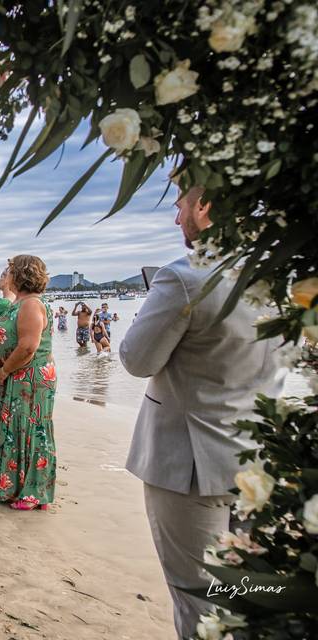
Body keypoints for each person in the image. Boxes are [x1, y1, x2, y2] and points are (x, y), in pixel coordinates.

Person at [119, 186, 284, 639]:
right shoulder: (273, 274)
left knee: (200, 600)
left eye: (178, 207)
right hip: (261, 456)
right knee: (250, 593)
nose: (177, 220)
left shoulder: (185, 277)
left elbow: (137, 359)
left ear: (203, 206)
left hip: (189, 461)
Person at [0, 255, 57, 510]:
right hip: (19, 374)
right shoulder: (19, 302)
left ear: (20, 274)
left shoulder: (31, 304)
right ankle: (11, 485)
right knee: (15, 429)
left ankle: (33, 493)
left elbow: (28, 347)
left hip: (30, 376)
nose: (7, 274)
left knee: (30, 430)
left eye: (10, 270)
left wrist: (2, 371)